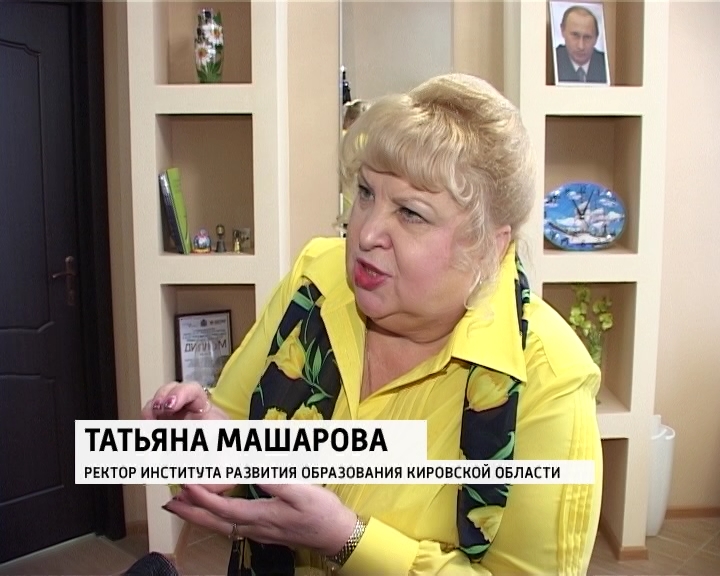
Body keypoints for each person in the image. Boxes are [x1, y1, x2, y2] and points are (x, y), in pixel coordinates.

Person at [143, 73, 603, 575]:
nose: (365, 233)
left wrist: (348, 540)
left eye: (410, 213)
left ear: (488, 247)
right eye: (365, 193)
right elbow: (226, 451)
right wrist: (197, 444)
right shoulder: (316, 281)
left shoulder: (551, 377)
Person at [555, 5, 608, 83]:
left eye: (587, 37)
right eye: (575, 35)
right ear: (563, 31)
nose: (581, 46)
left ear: (596, 38)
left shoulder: (606, 65)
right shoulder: (550, 62)